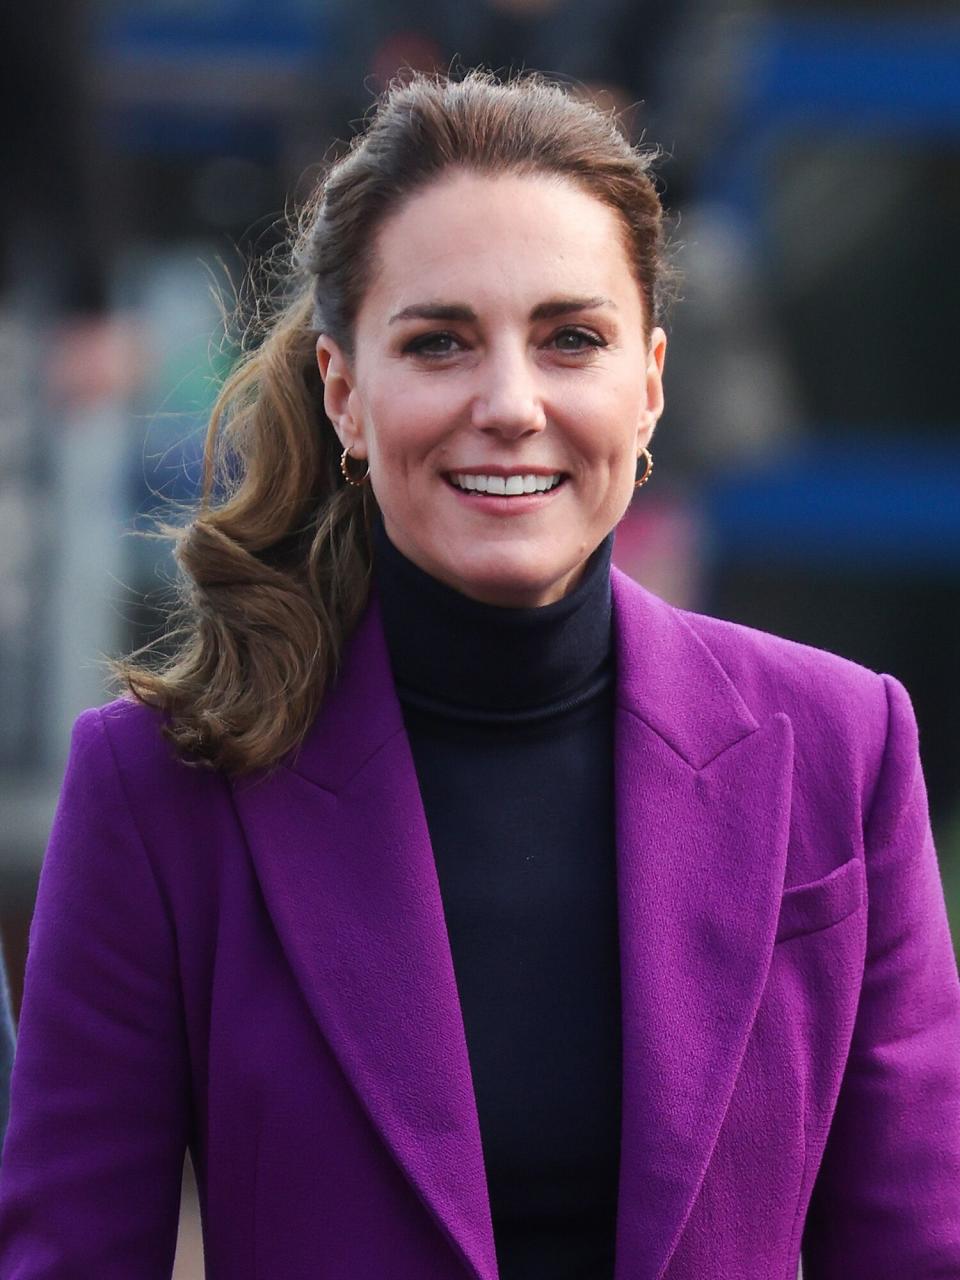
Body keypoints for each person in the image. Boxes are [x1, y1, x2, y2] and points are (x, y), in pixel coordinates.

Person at [1, 69, 958, 1280]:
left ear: (652, 382)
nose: (510, 403)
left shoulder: (843, 744)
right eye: (441, 341)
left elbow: (919, 1249)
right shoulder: (156, 790)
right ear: (345, 393)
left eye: (572, 339)